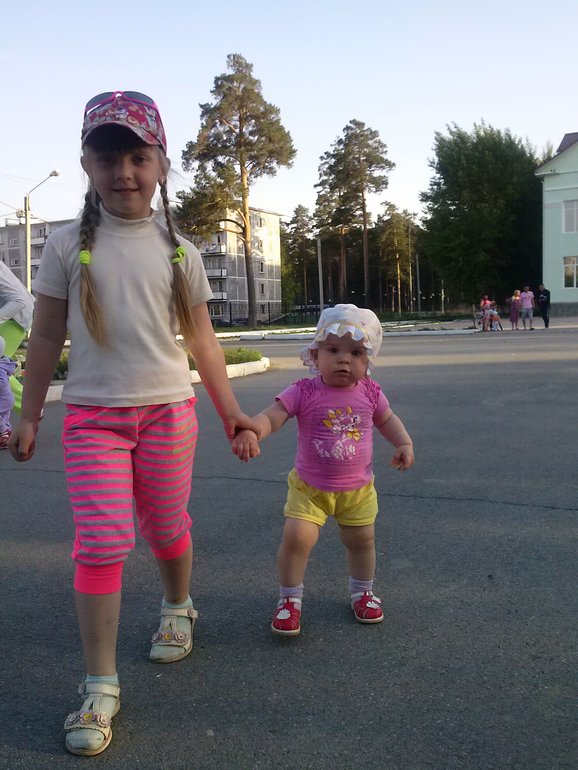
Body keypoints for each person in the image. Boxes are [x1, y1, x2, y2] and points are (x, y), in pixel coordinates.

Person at [8, 90, 257, 757]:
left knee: (167, 527)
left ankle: (178, 607)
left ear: (161, 165)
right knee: (101, 543)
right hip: (93, 421)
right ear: (86, 164)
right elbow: (45, 336)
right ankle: (100, 684)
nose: (123, 172)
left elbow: (202, 342)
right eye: (108, 158)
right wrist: (28, 414)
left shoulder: (179, 251)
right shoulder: (66, 246)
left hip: (169, 414)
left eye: (138, 158)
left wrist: (232, 413)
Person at [231, 304, 414, 637]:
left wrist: (403, 442)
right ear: (315, 355)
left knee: (362, 541)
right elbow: (273, 415)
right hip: (309, 489)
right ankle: (289, 598)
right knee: (297, 538)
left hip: (357, 490)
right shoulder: (304, 391)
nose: (344, 359)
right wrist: (253, 430)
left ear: (368, 360)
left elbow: (387, 420)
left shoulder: (371, 393)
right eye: (333, 350)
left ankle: (363, 592)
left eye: (356, 353)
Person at [0, 261, 35, 412]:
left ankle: (30, 409)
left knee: (0, 367)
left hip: (16, 317)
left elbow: (18, 301)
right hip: (10, 315)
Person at [0, 335, 16, 448]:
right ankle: (9, 433)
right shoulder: (3, 364)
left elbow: (1, 382)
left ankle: (4, 434)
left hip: (3, 399)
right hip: (6, 398)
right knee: (4, 416)